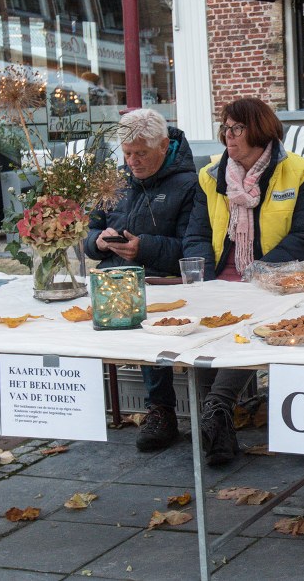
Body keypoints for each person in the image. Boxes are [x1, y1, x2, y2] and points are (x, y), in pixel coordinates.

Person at [184, 98, 304, 465]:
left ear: (259, 130)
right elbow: (196, 234)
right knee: (203, 328)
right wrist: (206, 281)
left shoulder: (299, 171)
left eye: (237, 129)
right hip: (220, 278)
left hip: (277, 279)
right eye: (225, 129)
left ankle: (216, 408)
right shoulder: (210, 175)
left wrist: (258, 272)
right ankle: (218, 421)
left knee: (248, 321)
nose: (228, 136)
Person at [84, 109, 198, 452]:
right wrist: (98, 242)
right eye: (127, 153)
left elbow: (192, 249)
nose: (132, 161)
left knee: (146, 317)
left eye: (141, 153)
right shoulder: (114, 181)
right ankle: (80, 403)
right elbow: (89, 231)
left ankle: (160, 409)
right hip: (111, 277)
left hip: (160, 280)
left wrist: (144, 248)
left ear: (163, 146)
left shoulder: (188, 184)